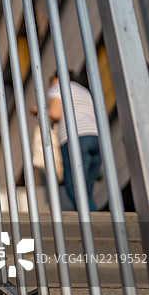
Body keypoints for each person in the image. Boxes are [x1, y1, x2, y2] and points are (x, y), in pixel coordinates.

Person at [46, 71, 101, 211]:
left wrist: (38, 111)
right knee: (85, 190)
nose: (50, 85)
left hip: (76, 138)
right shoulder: (84, 90)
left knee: (74, 188)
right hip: (95, 138)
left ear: (57, 78)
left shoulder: (57, 88)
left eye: (51, 80)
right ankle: (92, 220)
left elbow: (55, 113)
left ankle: (93, 225)